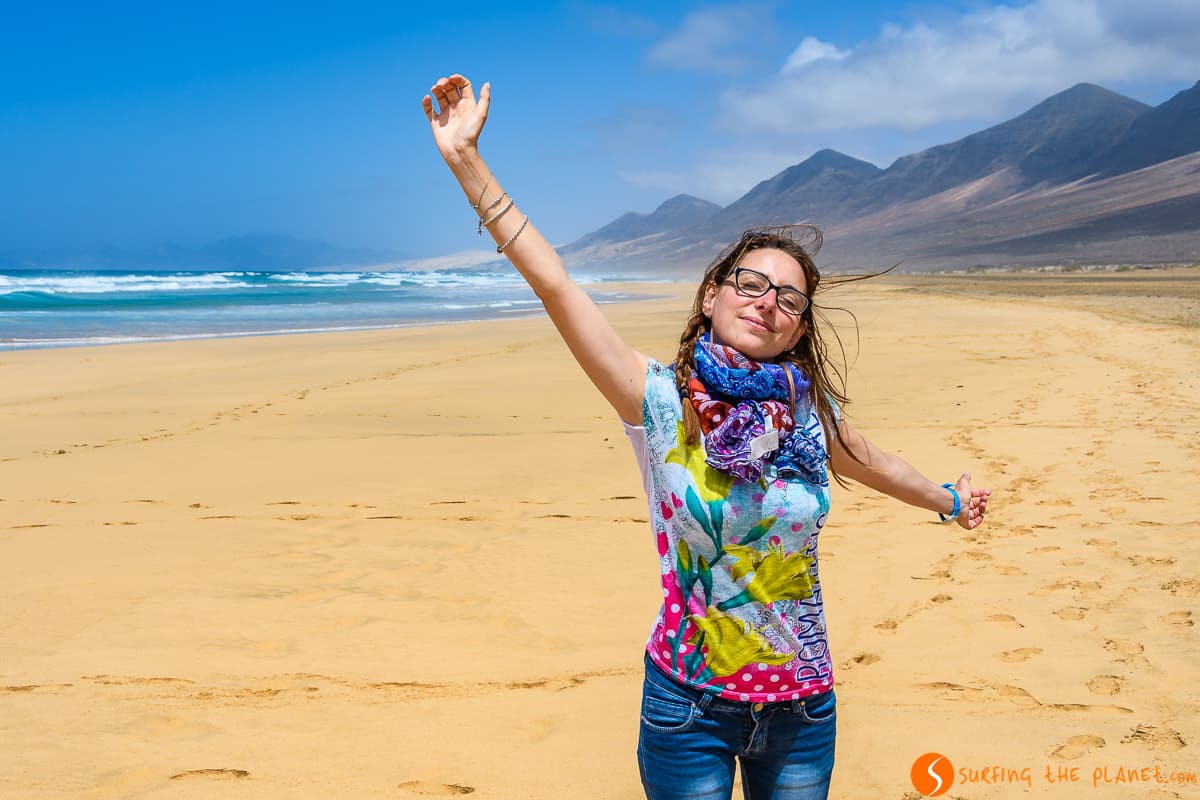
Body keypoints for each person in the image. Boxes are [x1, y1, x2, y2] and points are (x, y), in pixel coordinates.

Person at [423, 73, 990, 800]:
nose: (768, 302)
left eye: (789, 297)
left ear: (801, 325)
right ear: (712, 294)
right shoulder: (658, 401)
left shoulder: (807, 415)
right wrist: (468, 162)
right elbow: (558, 286)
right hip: (687, 708)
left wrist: (948, 500)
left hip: (804, 709)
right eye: (751, 283)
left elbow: (877, 463)